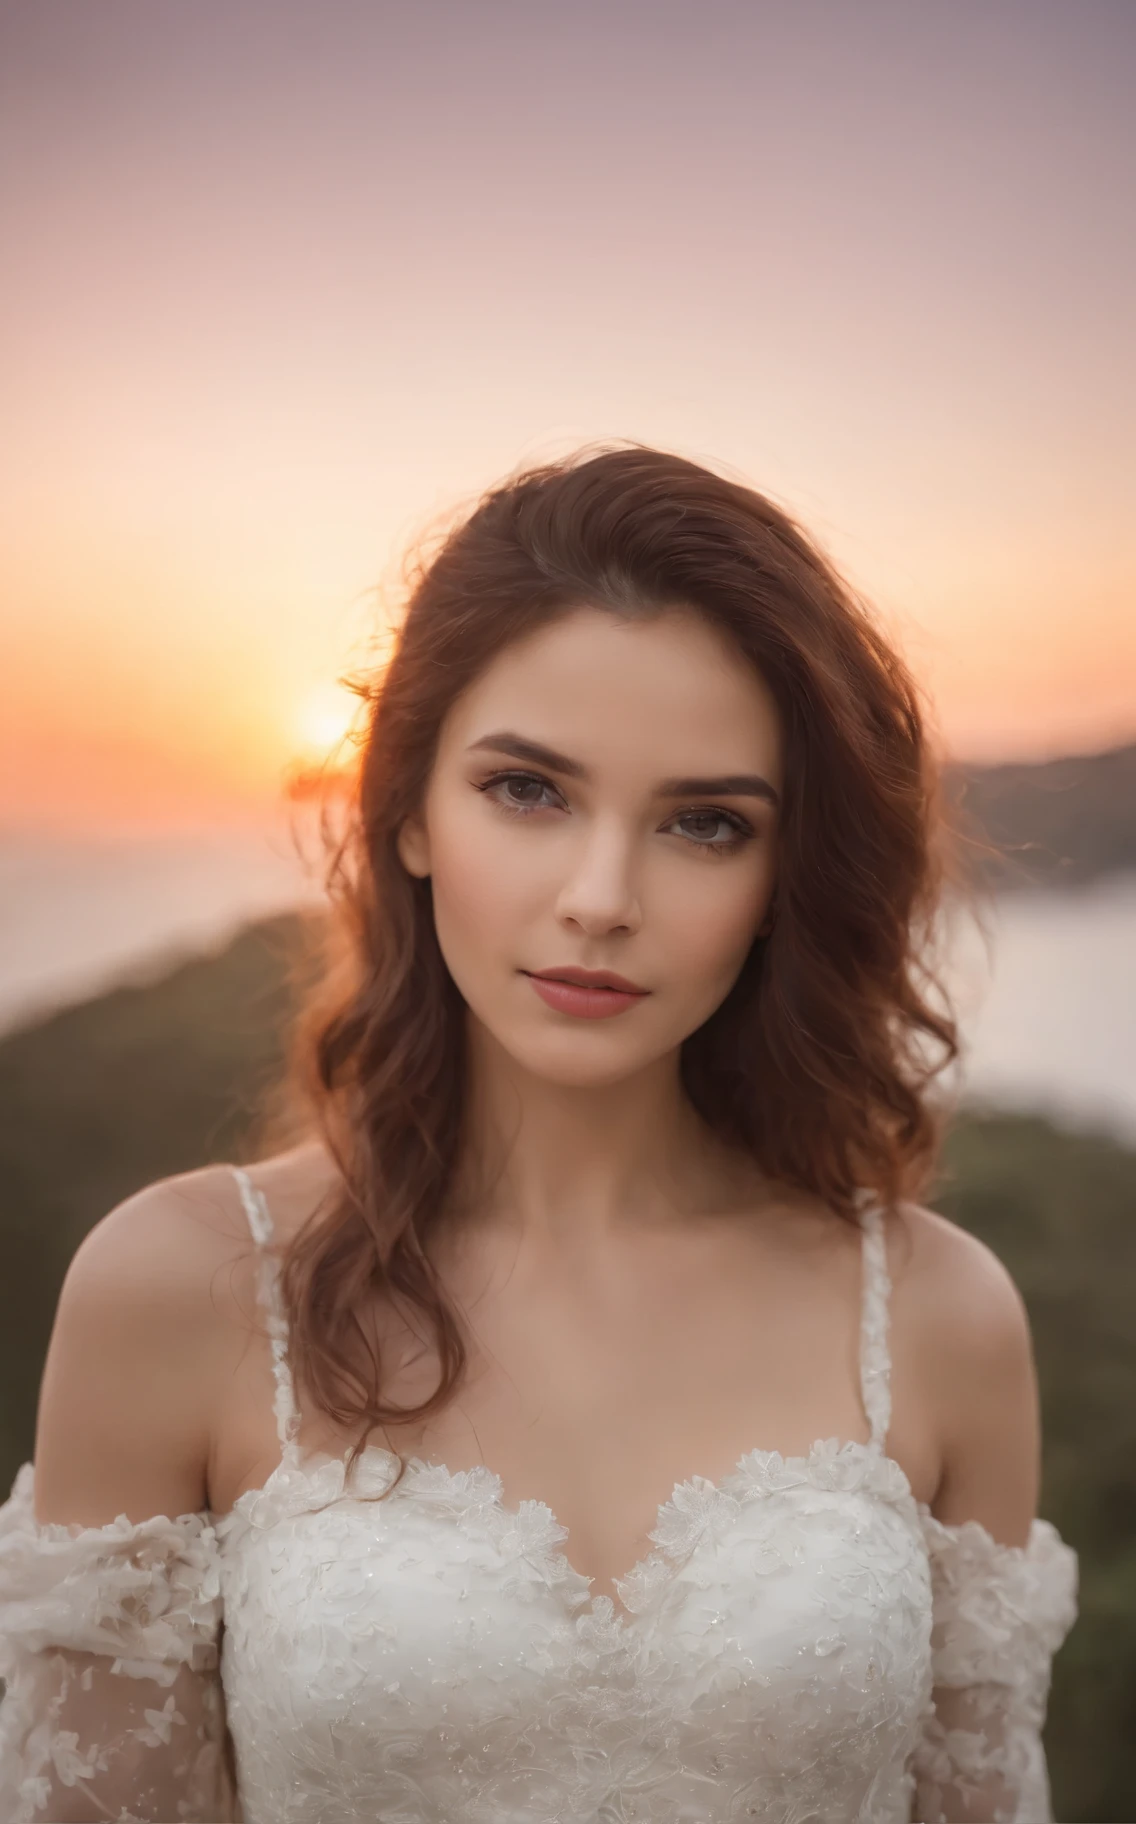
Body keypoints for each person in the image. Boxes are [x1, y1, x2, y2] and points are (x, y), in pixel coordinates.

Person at [0, 445, 1078, 1823]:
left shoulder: (939, 1315)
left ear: (779, 878)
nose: (601, 895)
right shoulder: (176, 1287)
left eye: (704, 823)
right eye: (528, 790)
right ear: (405, 811)